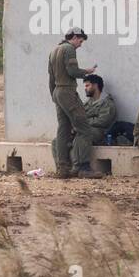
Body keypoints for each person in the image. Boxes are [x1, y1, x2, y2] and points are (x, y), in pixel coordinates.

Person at [48, 26, 104, 179]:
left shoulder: (54, 51)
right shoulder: (69, 49)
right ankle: (83, 167)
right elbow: (72, 72)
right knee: (84, 128)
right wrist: (87, 71)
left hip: (58, 92)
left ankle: (63, 169)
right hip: (67, 92)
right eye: (80, 40)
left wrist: (54, 95)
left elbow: (51, 78)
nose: (80, 44)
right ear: (73, 37)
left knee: (63, 130)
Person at [82, 74, 132, 146]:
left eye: (87, 86)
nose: (85, 88)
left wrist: (84, 121)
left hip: (101, 134)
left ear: (95, 86)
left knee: (82, 135)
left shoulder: (108, 103)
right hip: (86, 129)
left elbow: (103, 121)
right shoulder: (87, 103)